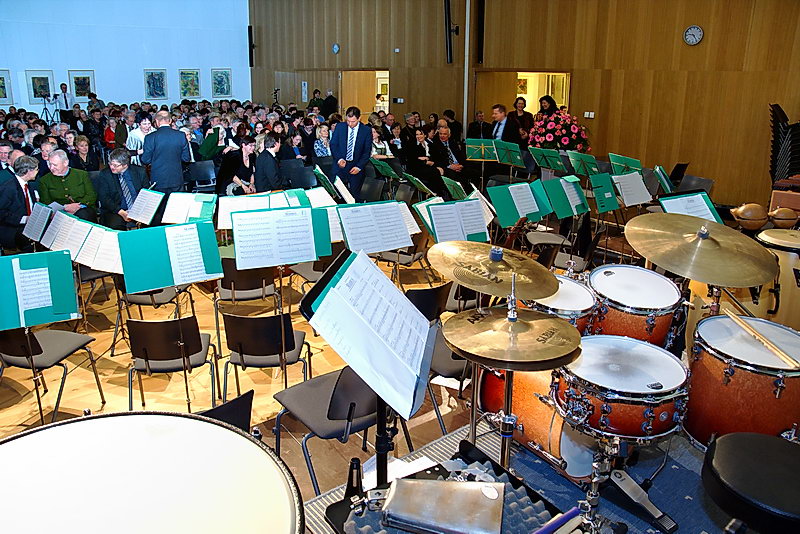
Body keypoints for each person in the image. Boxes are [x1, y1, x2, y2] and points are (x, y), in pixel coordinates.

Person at [141, 111, 191, 200]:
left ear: (156, 121)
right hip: (176, 178)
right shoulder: (180, 135)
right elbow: (186, 158)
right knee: (176, 206)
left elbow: (145, 160)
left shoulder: (150, 137)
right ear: (170, 120)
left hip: (158, 179)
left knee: (160, 206)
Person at [93, 149, 147, 230]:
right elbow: (104, 198)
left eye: (115, 165)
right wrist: (120, 211)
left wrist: (139, 209)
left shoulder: (140, 172)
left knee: (156, 219)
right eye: (110, 163)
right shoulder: (105, 174)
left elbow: (147, 193)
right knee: (115, 224)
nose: (111, 167)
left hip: (138, 209)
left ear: (125, 165)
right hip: (115, 210)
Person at [39, 150, 97, 222]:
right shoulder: (44, 180)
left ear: (65, 163)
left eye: (55, 165)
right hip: (59, 213)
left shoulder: (81, 175)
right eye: (50, 164)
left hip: (83, 209)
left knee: (83, 215)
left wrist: (78, 206)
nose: (51, 168)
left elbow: (91, 195)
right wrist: (65, 208)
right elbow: (46, 203)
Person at [330, 106, 371, 201]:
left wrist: (359, 167)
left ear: (359, 118)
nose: (350, 124)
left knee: (354, 196)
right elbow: (333, 145)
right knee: (337, 195)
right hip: (340, 164)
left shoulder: (366, 130)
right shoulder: (340, 127)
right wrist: (339, 159)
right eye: (348, 121)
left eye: (353, 121)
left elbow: (366, 152)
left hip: (356, 166)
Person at [0, 155, 39, 252]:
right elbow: (1, 213)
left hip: (28, 230)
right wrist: (24, 219)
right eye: (36, 169)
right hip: (13, 233)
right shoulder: (8, 188)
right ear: (29, 171)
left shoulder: (29, 185)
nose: (37, 172)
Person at [405, 127, 446, 197]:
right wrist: (425, 161)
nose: (418, 136)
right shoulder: (412, 145)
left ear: (425, 135)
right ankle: (437, 194)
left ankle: (440, 193)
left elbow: (437, 158)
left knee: (444, 171)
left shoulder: (430, 145)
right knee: (435, 172)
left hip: (429, 167)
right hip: (416, 168)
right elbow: (411, 161)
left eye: (420, 134)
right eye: (417, 134)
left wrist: (431, 162)